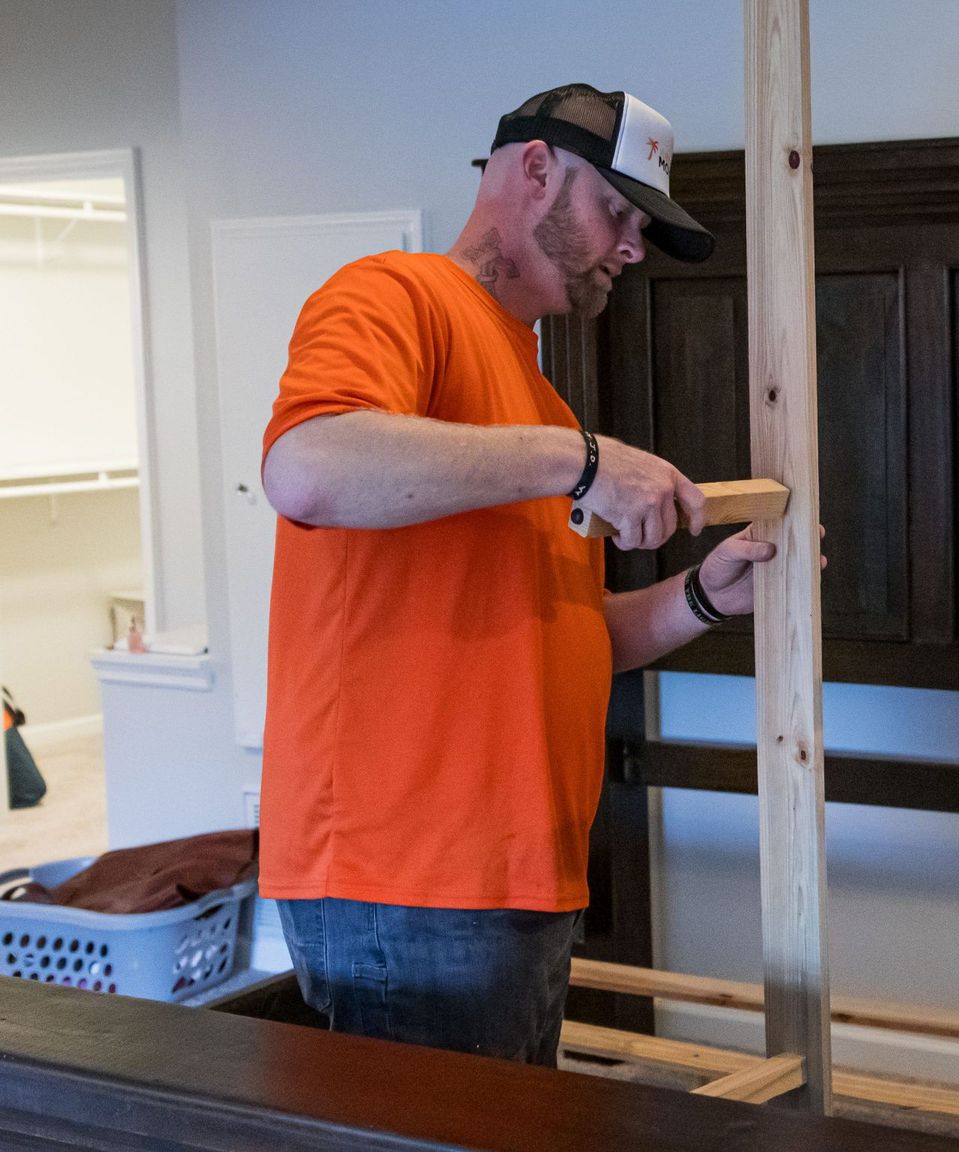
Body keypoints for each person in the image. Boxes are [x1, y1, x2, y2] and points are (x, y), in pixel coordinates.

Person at [256, 84, 775, 1065]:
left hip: (519, 879)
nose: (631, 246)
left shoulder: (537, 394)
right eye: (617, 210)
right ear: (536, 169)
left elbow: (567, 631)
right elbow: (307, 467)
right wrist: (579, 460)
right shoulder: (394, 295)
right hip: (409, 877)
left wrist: (705, 595)